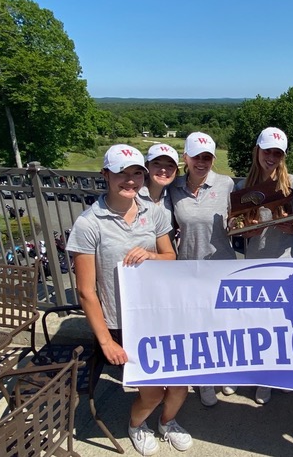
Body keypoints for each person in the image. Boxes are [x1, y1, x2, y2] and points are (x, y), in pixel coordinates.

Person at [66, 144, 191, 455]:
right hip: (122, 323)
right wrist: (106, 340)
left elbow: (169, 257)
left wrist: (150, 255)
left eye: (137, 173)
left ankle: (166, 423)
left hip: (159, 313)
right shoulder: (89, 223)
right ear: (106, 175)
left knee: (178, 387)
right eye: (122, 173)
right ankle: (136, 426)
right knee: (151, 393)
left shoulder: (155, 212)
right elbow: (86, 291)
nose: (131, 180)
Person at [232, 126, 293, 404]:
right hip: (257, 262)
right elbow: (236, 226)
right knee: (262, 324)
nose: (271, 157)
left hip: (287, 262)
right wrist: (242, 229)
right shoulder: (242, 188)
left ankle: (286, 374)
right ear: (257, 152)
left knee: (288, 324)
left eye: (277, 152)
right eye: (267, 151)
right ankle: (265, 377)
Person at [169, 131, 237, 407]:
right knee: (198, 326)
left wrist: (236, 225)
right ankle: (205, 378)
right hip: (189, 268)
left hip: (222, 266)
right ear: (185, 157)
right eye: (196, 156)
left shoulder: (226, 184)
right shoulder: (173, 189)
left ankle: (224, 371)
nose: (202, 162)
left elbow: (238, 218)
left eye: (207, 157)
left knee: (223, 324)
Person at [139, 143, 180, 247]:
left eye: (170, 165)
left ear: (176, 170)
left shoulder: (174, 195)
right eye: (157, 163)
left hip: (167, 261)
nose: (163, 170)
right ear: (147, 166)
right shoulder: (133, 196)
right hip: (138, 261)